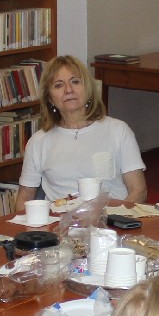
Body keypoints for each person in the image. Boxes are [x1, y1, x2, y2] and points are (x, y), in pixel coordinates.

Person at [16, 55, 146, 206]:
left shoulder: (118, 131)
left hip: (110, 222)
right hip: (59, 224)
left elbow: (139, 191)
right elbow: (24, 198)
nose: (68, 90)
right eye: (58, 85)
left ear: (88, 89)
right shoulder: (38, 142)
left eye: (75, 82)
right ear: (50, 98)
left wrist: (117, 217)